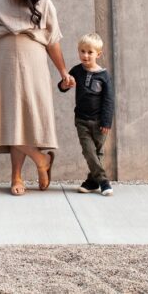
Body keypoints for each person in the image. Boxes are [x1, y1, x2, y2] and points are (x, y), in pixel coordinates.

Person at [0, 0, 74, 195]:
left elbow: (52, 41)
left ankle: (17, 177)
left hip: (33, 64)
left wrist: (63, 71)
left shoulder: (43, 2)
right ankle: (41, 160)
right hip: (0, 63)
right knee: (4, 117)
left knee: (25, 120)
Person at [58, 32, 115, 196]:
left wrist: (106, 121)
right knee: (88, 151)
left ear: (98, 54)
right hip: (81, 120)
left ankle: (91, 181)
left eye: (90, 52)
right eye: (82, 51)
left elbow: (109, 100)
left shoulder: (104, 76)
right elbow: (63, 87)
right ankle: (104, 181)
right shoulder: (77, 70)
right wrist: (65, 83)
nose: (85, 55)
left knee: (97, 152)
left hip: (99, 122)